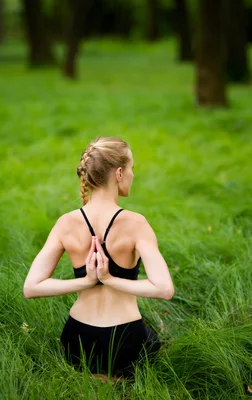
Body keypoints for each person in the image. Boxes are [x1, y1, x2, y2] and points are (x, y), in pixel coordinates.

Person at [23, 136, 174, 379]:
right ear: (119, 173)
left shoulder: (66, 223)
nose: (133, 175)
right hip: (125, 341)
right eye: (132, 168)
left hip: (78, 340)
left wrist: (86, 281)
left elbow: (31, 287)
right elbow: (164, 289)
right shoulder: (136, 224)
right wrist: (110, 280)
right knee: (154, 343)